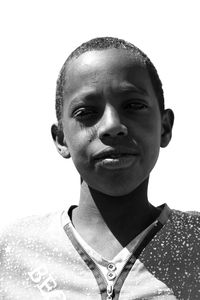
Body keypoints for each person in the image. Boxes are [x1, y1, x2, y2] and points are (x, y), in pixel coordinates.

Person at [0, 37, 199, 300]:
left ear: (164, 127)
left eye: (133, 106)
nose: (112, 125)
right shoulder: (17, 249)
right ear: (61, 139)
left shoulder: (194, 242)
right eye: (86, 112)